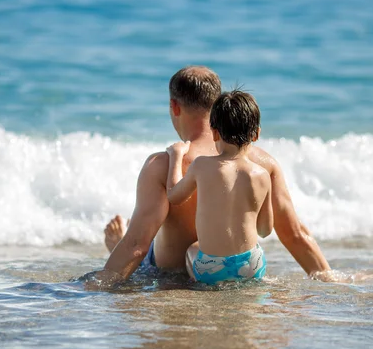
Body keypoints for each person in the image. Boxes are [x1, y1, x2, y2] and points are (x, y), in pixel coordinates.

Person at [89, 66, 332, 286]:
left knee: (138, 241)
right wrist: (328, 277)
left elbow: (136, 246)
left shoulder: (162, 164)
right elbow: (293, 233)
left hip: (175, 273)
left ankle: (114, 245)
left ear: (174, 106)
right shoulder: (262, 163)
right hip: (244, 265)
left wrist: (94, 285)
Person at [165, 90, 273, 284]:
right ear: (256, 134)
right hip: (252, 265)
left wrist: (176, 156)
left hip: (212, 269)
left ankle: (201, 286)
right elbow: (265, 230)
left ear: (214, 133)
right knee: (252, 253)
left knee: (192, 250)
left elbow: (174, 196)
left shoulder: (201, 165)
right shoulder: (262, 175)